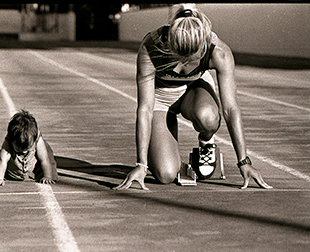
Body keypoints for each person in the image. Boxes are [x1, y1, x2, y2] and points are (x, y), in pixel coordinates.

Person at [115, 4, 272, 190]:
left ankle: (206, 141)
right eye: (179, 56)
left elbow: (230, 109)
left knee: (208, 117)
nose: (184, 63)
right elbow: (145, 109)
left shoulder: (218, 51)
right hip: (161, 99)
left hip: (193, 91)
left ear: (203, 45)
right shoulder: (151, 48)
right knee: (165, 175)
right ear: (171, 43)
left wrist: (244, 162)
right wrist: (141, 165)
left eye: (191, 58)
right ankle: (178, 164)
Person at [0, 109, 58, 186]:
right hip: (15, 168)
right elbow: (2, 160)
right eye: (19, 148)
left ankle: (46, 174)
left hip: (34, 164)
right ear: (12, 140)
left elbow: (44, 159)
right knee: (9, 164)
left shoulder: (37, 139)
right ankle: (17, 174)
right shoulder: (9, 139)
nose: (23, 152)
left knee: (47, 152)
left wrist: (47, 176)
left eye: (27, 148)